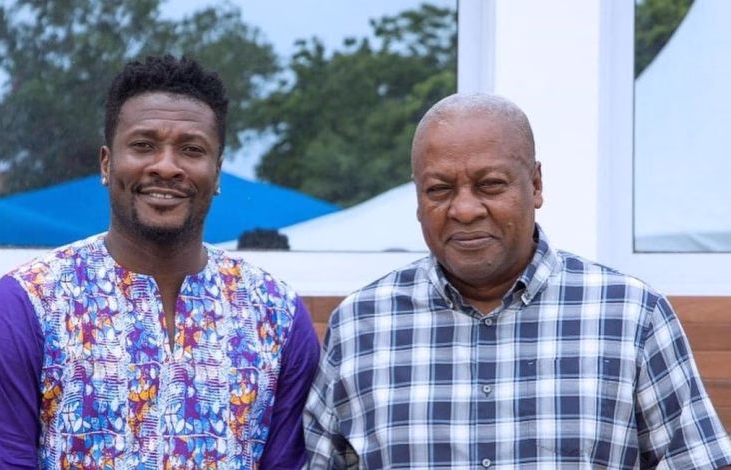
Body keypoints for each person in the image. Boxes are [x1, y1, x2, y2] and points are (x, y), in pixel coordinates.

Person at [303, 92, 731, 469]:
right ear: (417, 198)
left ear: (536, 184)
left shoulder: (631, 314)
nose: (465, 209)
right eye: (439, 190)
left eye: (490, 185)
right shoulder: (361, 325)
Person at [0, 54, 320, 469]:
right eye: (143, 145)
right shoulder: (28, 304)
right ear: (107, 164)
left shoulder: (275, 314)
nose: (166, 166)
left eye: (191, 149)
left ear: (217, 173)